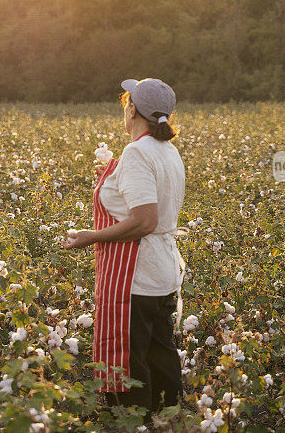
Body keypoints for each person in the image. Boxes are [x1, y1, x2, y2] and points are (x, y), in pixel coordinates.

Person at [63, 77, 185, 416]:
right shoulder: (166, 150)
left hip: (136, 275)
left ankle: (132, 422)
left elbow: (145, 220)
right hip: (162, 272)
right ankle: (169, 419)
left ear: (131, 109)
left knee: (128, 365)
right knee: (160, 357)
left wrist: (91, 236)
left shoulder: (137, 153)